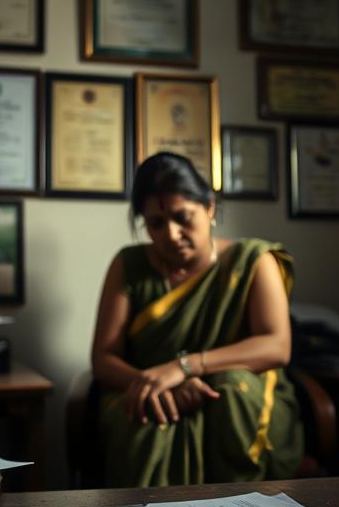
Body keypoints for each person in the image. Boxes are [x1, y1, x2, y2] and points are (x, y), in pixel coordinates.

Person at [91, 152, 303, 487]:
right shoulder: (129, 264)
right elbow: (103, 359)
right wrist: (155, 386)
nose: (171, 234)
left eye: (182, 217)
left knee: (232, 388)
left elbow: (277, 346)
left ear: (209, 208)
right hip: (150, 391)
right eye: (156, 224)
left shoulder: (253, 261)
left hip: (231, 394)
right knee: (145, 420)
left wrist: (184, 367)